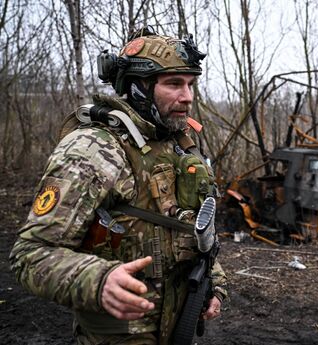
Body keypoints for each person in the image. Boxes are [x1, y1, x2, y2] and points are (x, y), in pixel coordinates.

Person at [9, 26, 227, 345]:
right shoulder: (93, 149)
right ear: (138, 87)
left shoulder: (180, 144)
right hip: (120, 333)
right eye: (174, 84)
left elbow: (193, 225)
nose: (188, 96)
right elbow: (30, 254)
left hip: (177, 324)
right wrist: (99, 281)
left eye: (191, 84)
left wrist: (214, 283)